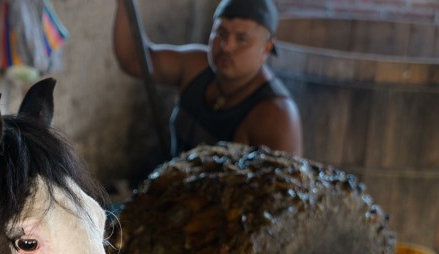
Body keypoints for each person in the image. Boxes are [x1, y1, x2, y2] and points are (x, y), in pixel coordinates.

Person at [113, 0, 302, 157]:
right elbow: (134, 59)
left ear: (267, 48)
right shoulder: (196, 66)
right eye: (220, 33)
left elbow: (282, 196)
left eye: (241, 39)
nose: (226, 46)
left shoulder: (275, 116)